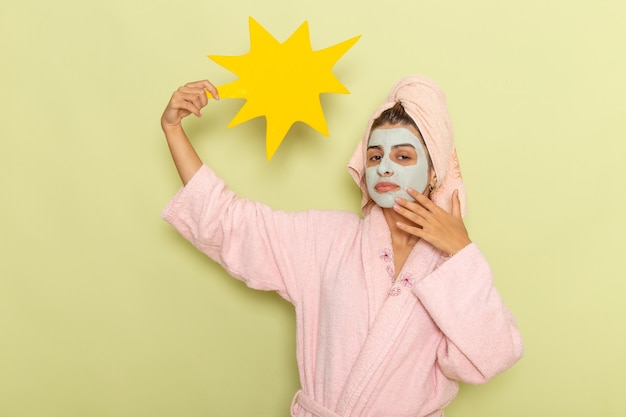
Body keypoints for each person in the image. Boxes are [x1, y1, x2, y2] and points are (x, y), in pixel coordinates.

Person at [160, 75, 523, 417]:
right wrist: (173, 130)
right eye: (375, 156)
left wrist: (461, 253)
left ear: (434, 172)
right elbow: (231, 222)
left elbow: (489, 357)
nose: (384, 169)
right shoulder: (325, 239)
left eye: (403, 156)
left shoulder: (450, 268)